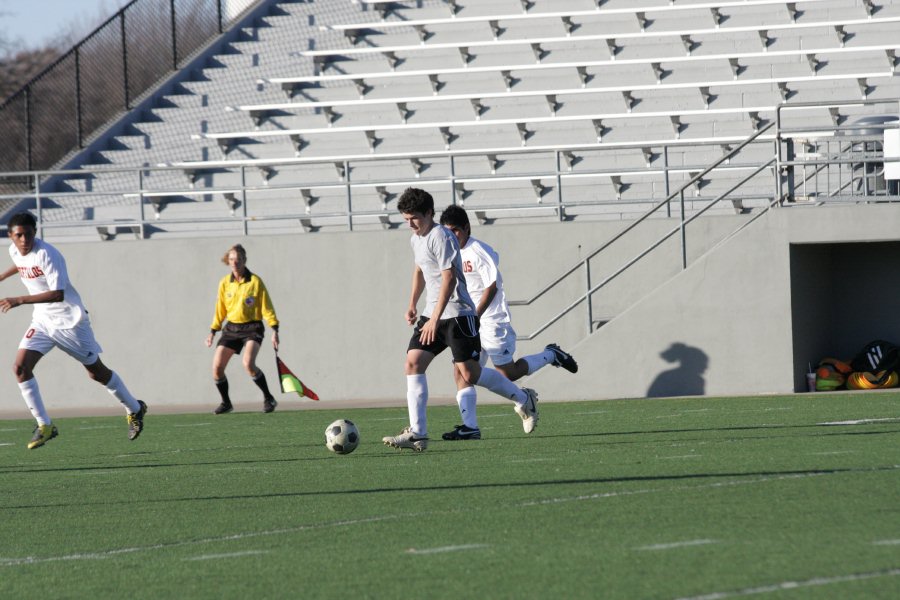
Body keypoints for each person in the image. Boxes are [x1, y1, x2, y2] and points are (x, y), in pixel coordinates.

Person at [382, 188, 539, 452]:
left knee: (469, 373)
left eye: (414, 218)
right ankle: (417, 434)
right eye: (406, 218)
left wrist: (434, 319)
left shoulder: (441, 237)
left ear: (430, 213)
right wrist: (412, 303)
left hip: (458, 314)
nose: (409, 224)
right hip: (432, 313)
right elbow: (419, 270)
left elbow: (449, 278)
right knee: (413, 362)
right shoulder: (416, 239)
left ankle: (524, 398)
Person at [0, 212, 147, 449]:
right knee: (20, 367)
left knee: (96, 372)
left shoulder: (48, 254)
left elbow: (57, 295)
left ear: (35, 233)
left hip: (70, 322)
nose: (24, 239)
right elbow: (20, 264)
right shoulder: (14, 250)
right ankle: (45, 425)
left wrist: (19, 299)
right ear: (11, 237)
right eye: (19, 235)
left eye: (28, 234)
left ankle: (135, 408)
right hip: (42, 322)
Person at [438, 205, 578, 441]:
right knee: (462, 371)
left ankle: (550, 355)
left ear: (466, 228)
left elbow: (492, 286)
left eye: (455, 231)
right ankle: (470, 426)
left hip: (491, 320)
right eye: (448, 232)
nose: (452, 236)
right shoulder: (450, 252)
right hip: (468, 321)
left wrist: (476, 314)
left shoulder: (478, 251)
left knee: (507, 373)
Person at [205, 243, 280, 414]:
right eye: (231, 260)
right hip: (231, 328)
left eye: (238, 260)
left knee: (248, 364)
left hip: (253, 327)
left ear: (244, 261)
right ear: (228, 261)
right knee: (217, 368)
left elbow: (266, 307)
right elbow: (220, 309)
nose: (234, 263)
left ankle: (268, 398)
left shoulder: (255, 282)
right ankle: (226, 403)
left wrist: (274, 329)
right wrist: (213, 331)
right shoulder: (225, 283)